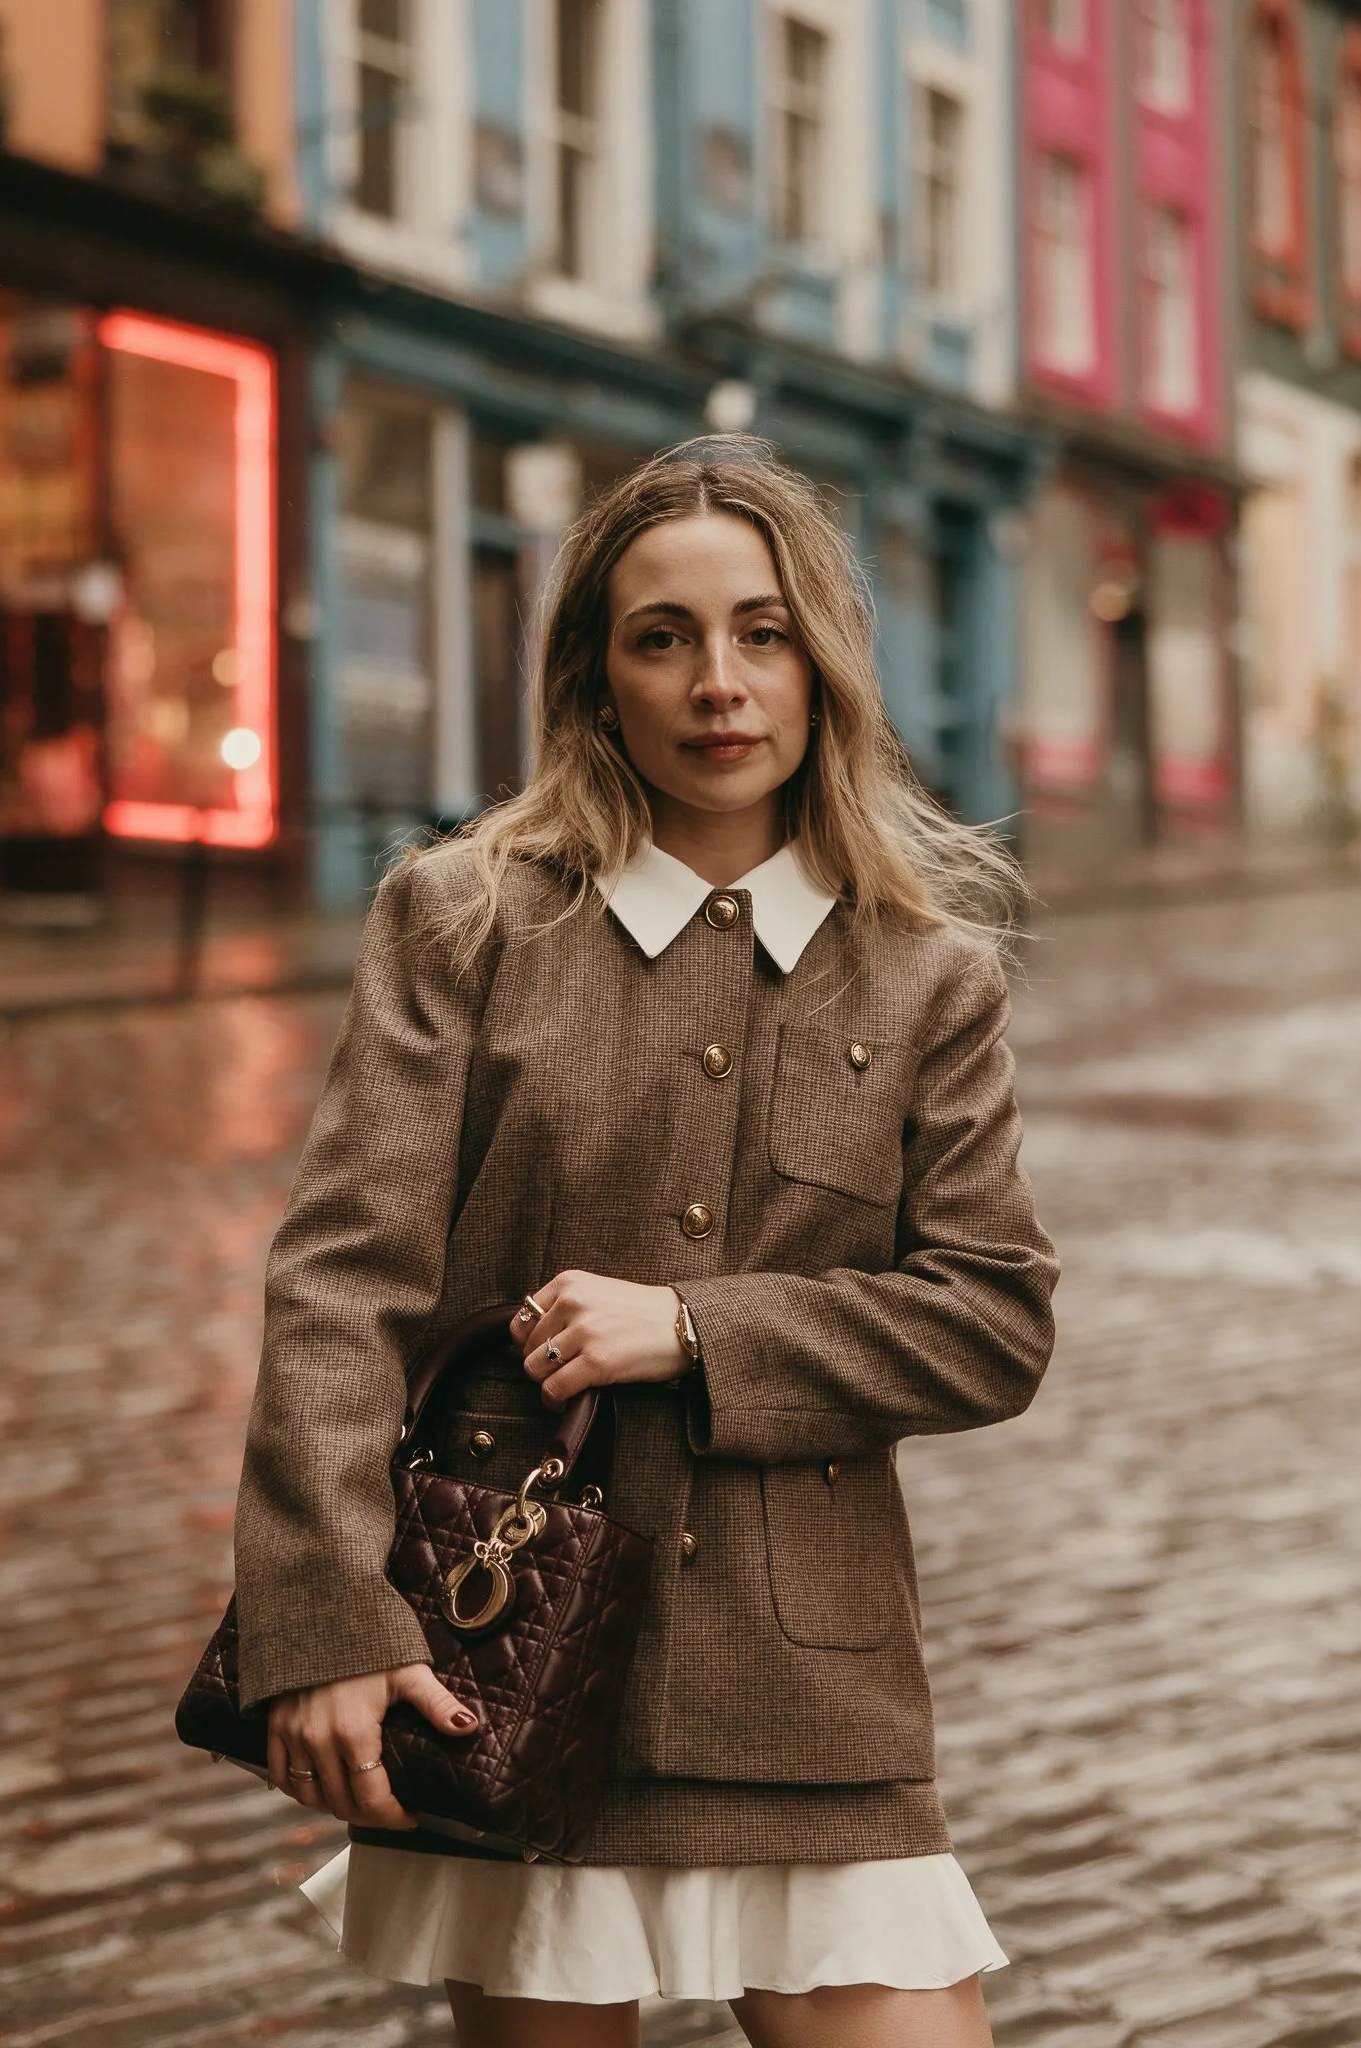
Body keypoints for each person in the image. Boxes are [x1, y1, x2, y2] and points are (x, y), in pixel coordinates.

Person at [233, 437, 1058, 2047]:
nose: (716, 683)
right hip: (504, 1664)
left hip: (810, 1691)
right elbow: (343, 1281)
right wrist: (327, 1617)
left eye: (760, 633)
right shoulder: (466, 922)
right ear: (596, 678)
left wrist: (694, 1331)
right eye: (661, 636)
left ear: (822, 666)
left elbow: (989, 1318)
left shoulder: (925, 978)